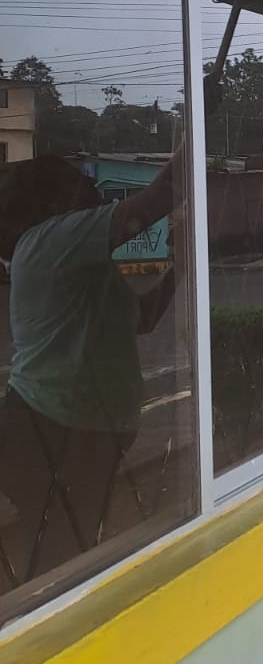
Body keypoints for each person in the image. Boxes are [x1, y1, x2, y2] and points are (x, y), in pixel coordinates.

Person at [0, 152, 180, 591]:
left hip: (79, 426)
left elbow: (143, 317)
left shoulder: (84, 257)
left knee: (64, 550)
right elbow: (152, 203)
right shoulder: (48, 240)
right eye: (77, 181)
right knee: (62, 559)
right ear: (51, 200)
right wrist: (194, 145)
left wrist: (181, 250)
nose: (91, 188)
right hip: (51, 425)